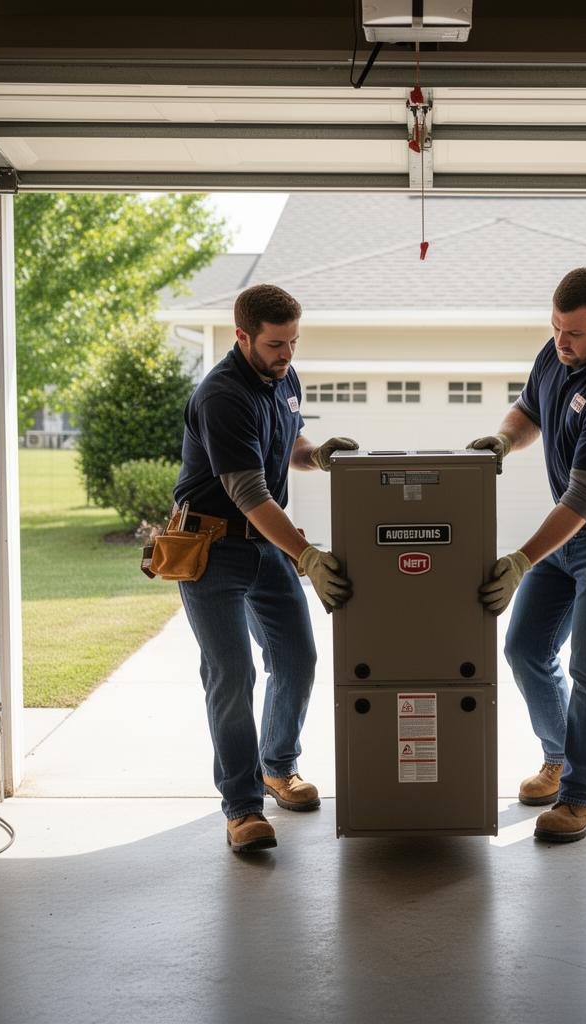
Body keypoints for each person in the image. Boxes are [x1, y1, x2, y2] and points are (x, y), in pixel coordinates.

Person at [469, 267, 586, 844]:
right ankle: (559, 759)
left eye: (574, 333)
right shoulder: (557, 355)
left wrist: (522, 559)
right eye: (555, 328)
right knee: (526, 646)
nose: (561, 342)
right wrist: (504, 438)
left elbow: (584, 495)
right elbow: (529, 410)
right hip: (571, 531)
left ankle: (583, 799)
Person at [174, 283, 358, 854]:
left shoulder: (283, 379)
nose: (287, 355)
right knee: (231, 675)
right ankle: (242, 807)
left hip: (266, 544)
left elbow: (287, 444)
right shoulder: (221, 395)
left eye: (293, 342)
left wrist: (318, 455)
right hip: (213, 548)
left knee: (296, 658)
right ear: (242, 337)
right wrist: (306, 554)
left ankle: (278, 767)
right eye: (276, 344)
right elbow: (250, 490)